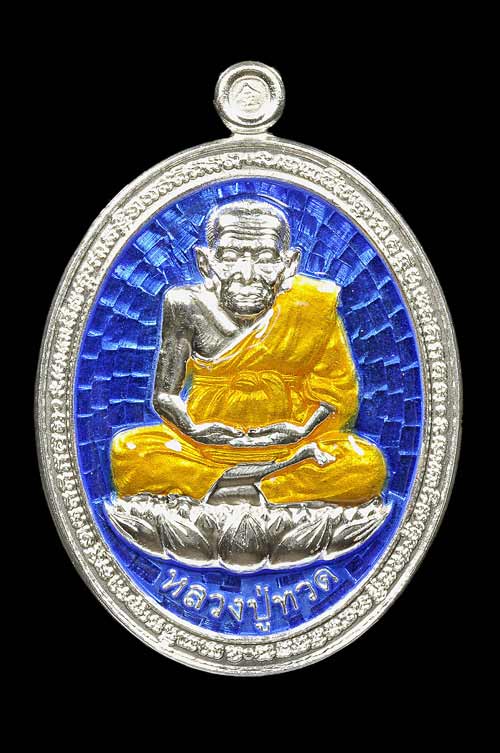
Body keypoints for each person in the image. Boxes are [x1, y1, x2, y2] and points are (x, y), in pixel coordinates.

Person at [111, 199, 386, 506]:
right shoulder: (184, 304)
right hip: (203, 446)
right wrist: (193, 429)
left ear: (290, 264)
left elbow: (337, 396)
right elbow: (164, 395)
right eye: (229, 257)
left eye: (266, 259)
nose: (246, 274)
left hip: (291, 445)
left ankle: (225, 487)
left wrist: (301, 430)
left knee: (365, 464)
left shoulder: (311, 304)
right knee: (131, 451)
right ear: (205, 262)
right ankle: (260, 486)